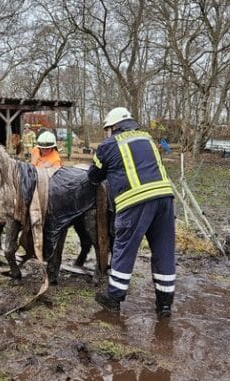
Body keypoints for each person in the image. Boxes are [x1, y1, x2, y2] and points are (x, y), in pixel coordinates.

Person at [88, 107, 175, 316]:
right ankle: (164, 305)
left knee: (125, 247)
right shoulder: (147, 138)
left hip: (135, 201)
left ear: (113, 126)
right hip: (165, 198)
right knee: (164, 250)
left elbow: (94, 176)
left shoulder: (109, 144)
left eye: (107, 128)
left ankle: (114, 297)